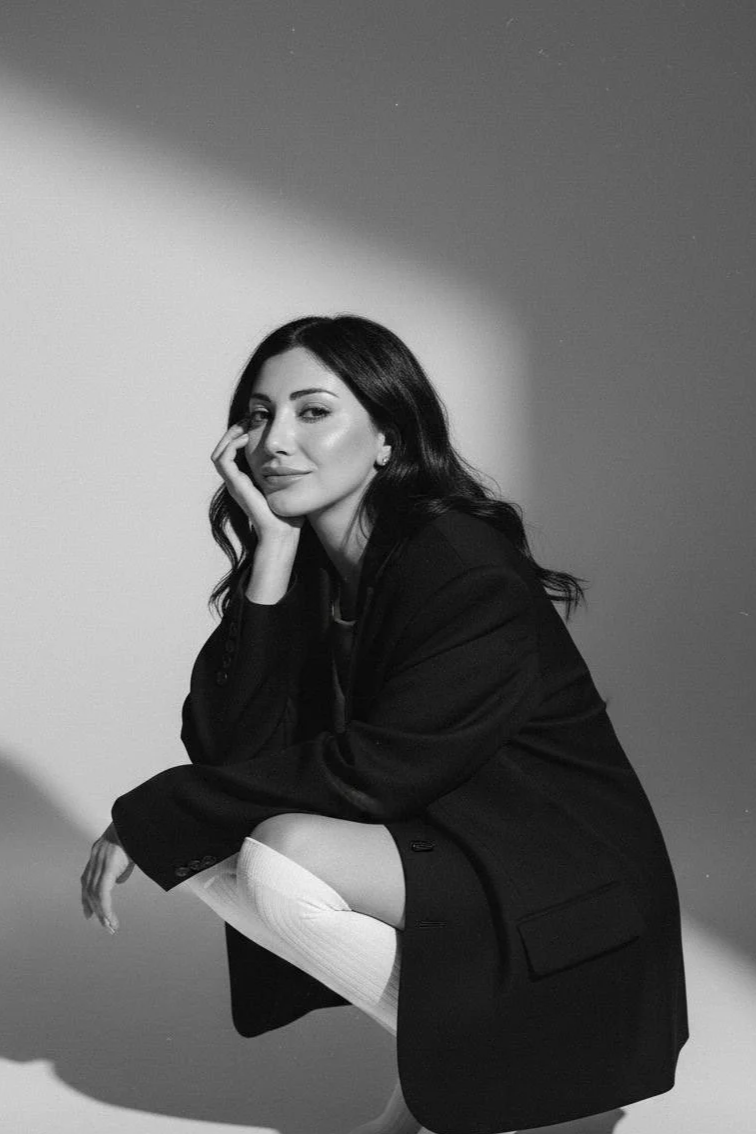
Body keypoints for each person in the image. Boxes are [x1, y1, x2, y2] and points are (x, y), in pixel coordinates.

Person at [80, 315, 688, 1134]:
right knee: (203, 841)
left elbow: (379, 771)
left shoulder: (460, 563)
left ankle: (517, 1072)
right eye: (258, 415)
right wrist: (268, 558)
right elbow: (231, 753)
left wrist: (153, 811)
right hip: (460, 851)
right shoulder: (305, 576)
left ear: (387, 441)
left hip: (564, 887)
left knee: (275, 856)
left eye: (312, 411)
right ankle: (480, 1076)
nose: (273, 441)